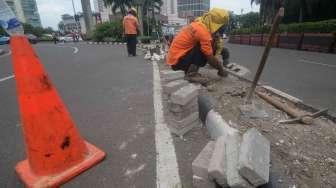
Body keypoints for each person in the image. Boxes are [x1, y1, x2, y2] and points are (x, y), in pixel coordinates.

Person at [166, 8, 230, 83]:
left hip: (177, 59)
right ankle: (191, 75)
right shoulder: (203, 32)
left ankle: (190, 71)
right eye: (222, 26)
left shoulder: (200, 23)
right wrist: (220, 69)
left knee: (208, 47)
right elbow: (210, 58)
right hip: (177, 62)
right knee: (205, 50)